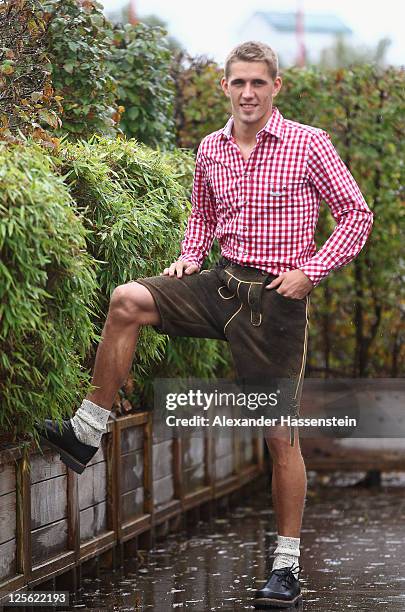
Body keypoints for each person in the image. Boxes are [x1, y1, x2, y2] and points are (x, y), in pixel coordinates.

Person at [38, 41, 374, 609]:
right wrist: (189, 255)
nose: (248, 93)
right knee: (126, 301)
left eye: (258, 84)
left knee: (279, 437)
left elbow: (356, 216)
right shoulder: (211, 148)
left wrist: (310, 272)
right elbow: (202, 216)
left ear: (276, 87)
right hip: (219, 284)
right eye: (238, 83)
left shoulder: (309, 144)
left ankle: (286, 568)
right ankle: (87, 430)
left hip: (276, 301)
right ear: (225, 86)